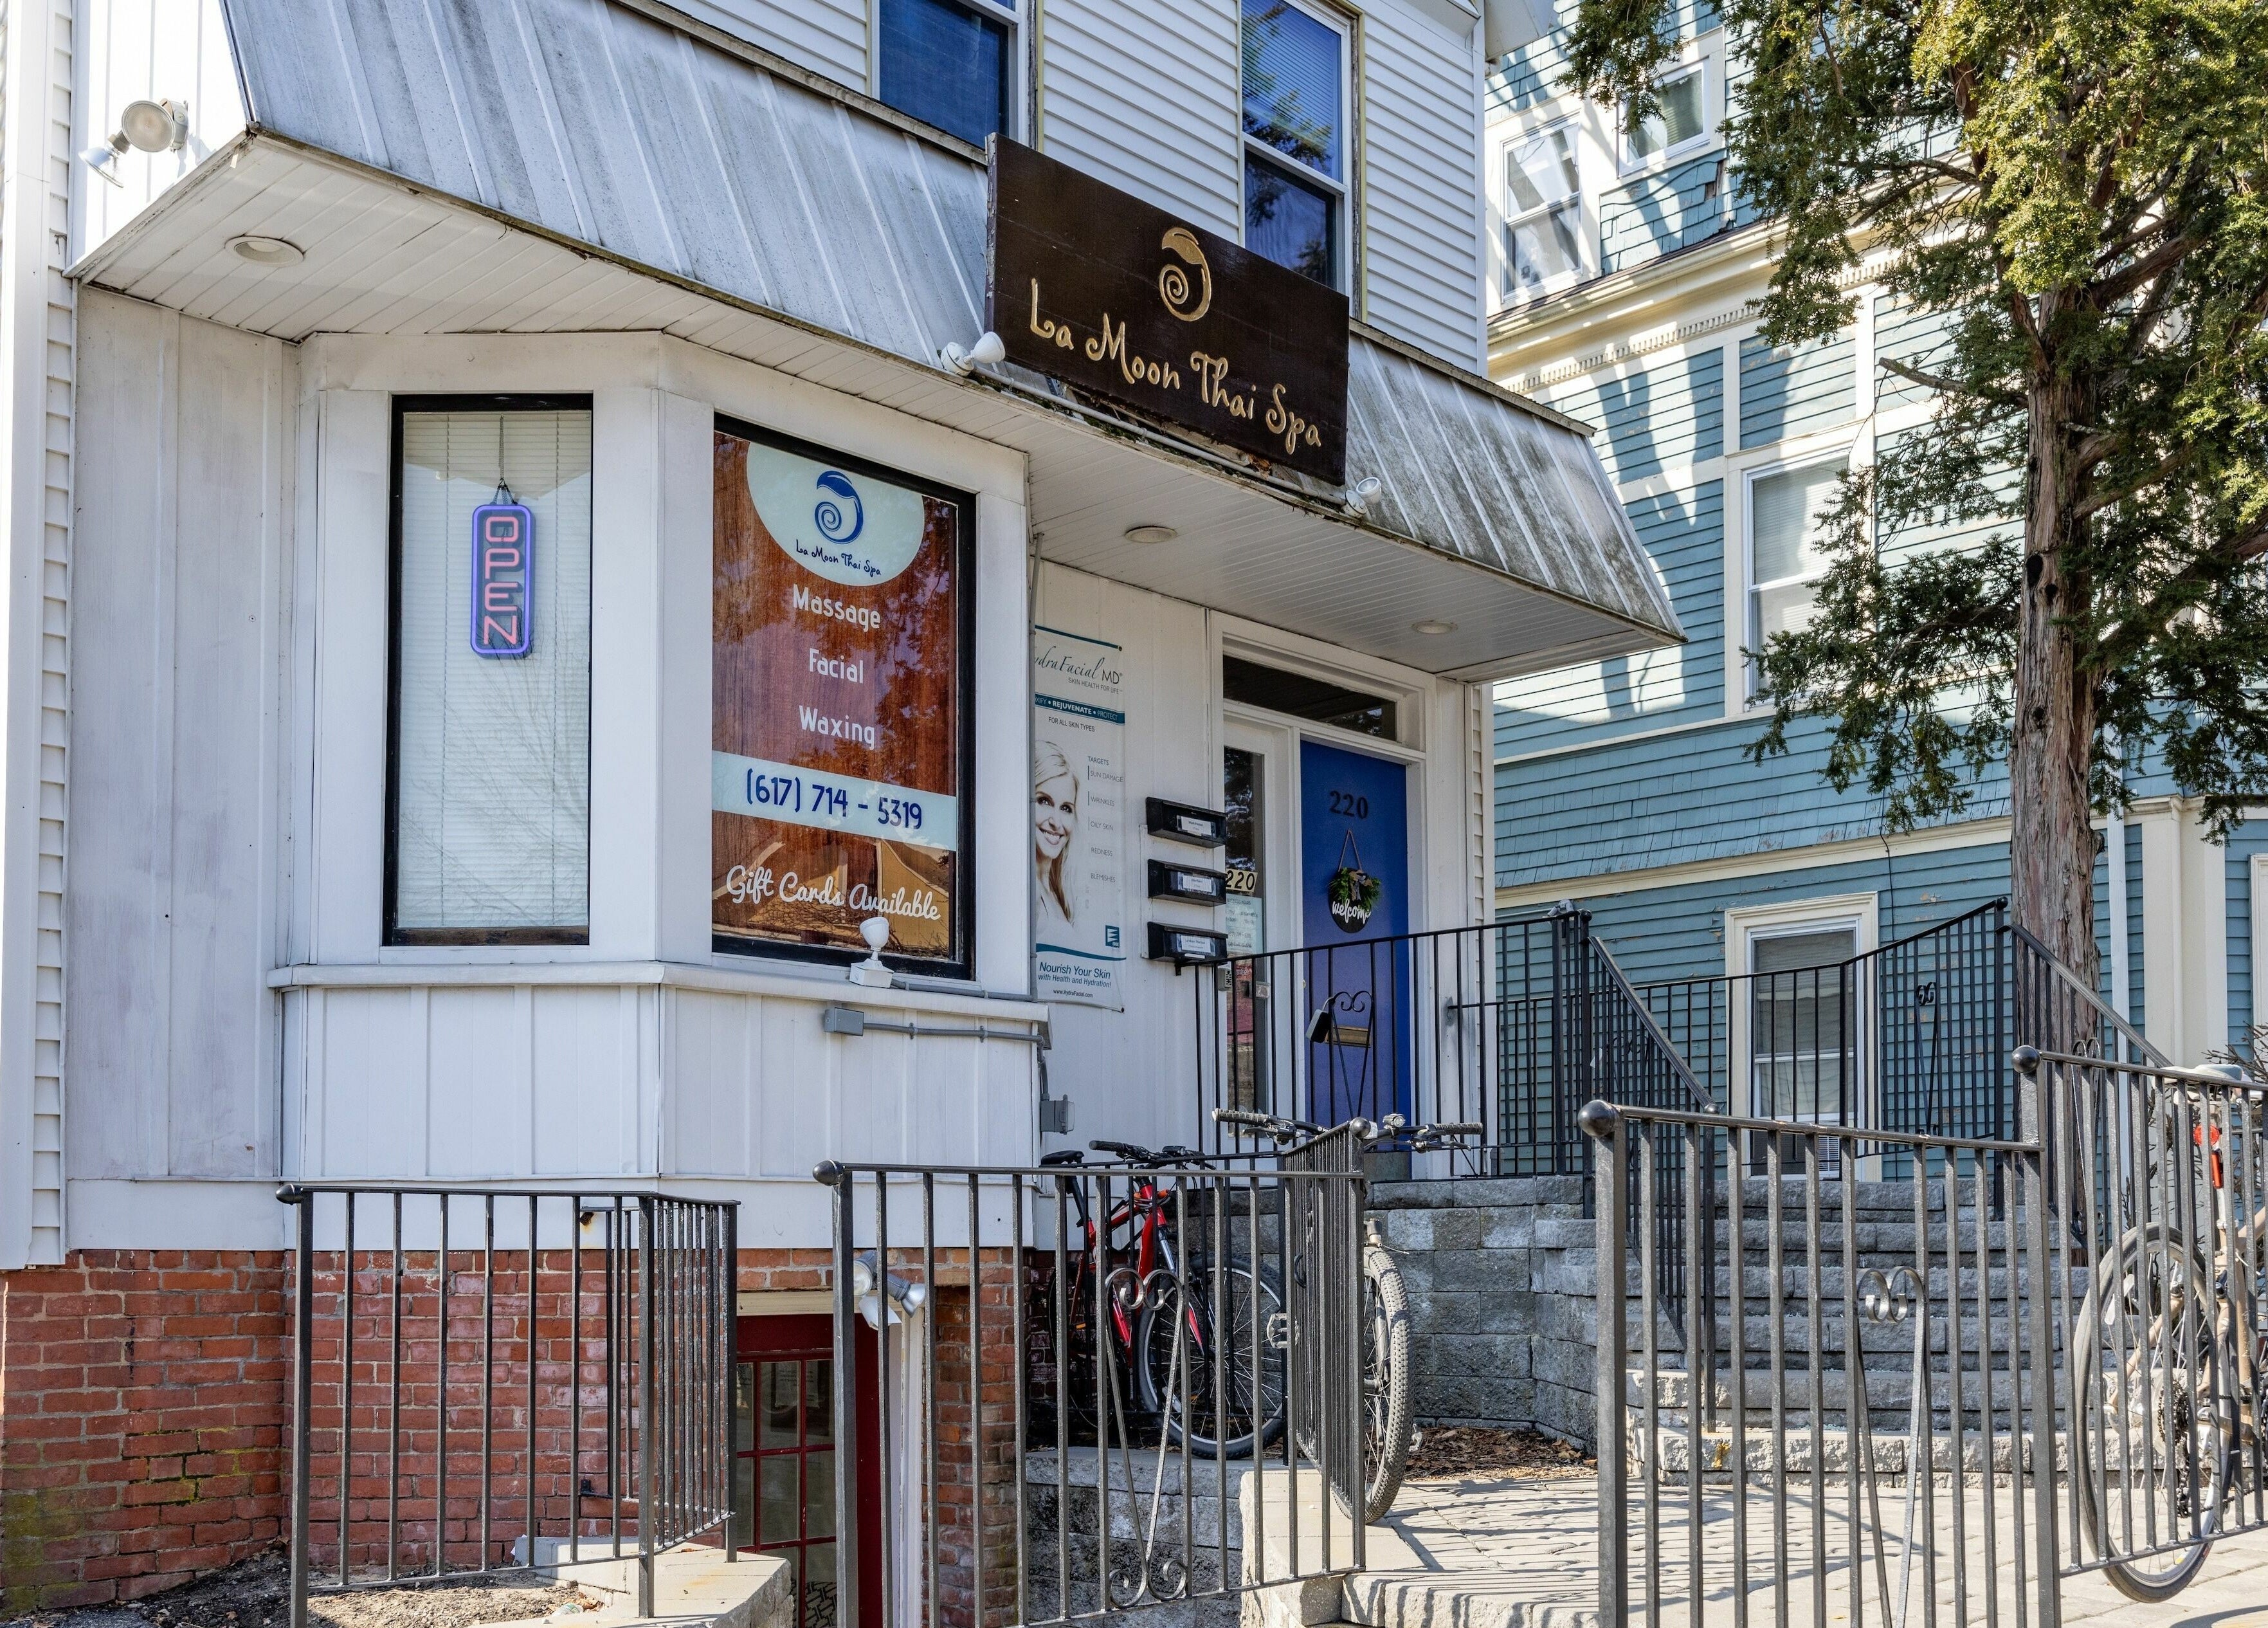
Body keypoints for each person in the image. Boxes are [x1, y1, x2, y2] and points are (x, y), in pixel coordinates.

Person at [1033, 743, 1080, 929]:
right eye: (1044, 801)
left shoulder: (1061, 895)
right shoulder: (1029, 891)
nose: (1057, 823)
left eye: (1066, 808)